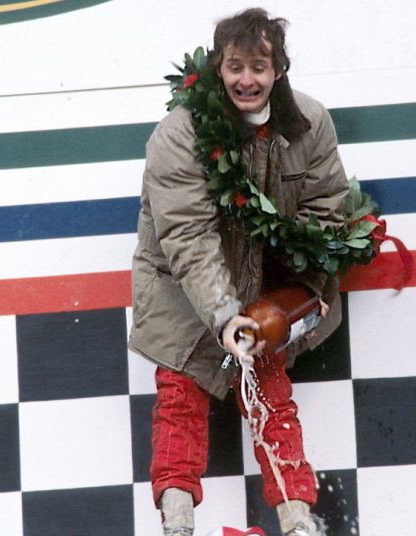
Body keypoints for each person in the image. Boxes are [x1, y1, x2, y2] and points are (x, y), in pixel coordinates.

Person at [129, 8, 351, 536]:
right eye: (235, 66)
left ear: (278, 69)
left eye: (258, 66)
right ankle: (177, 525)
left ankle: (299, 523)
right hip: (181, 294)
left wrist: (307, 292)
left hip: (263, 294)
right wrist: (225, 317)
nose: (246, 79)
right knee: (179, 402)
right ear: (217, 68)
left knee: (273, 401)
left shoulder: (311, 121)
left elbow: (326, 212)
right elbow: (188, 235)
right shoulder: (178, 134)